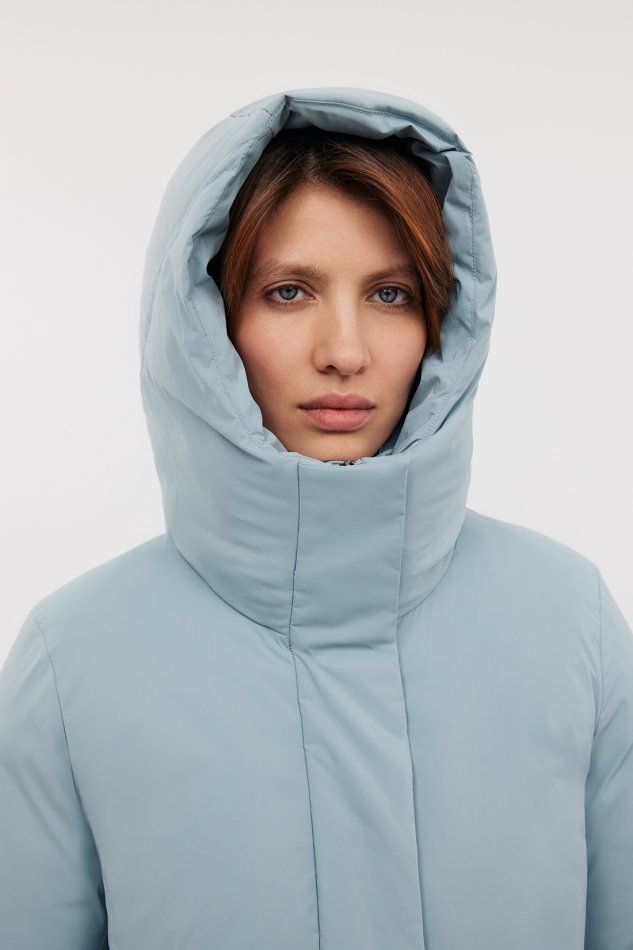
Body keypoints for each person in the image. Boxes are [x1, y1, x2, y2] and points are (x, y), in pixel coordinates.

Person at [0, 86, 631, 950]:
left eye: (391, 294)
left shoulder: (567, 621)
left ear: (443, 322)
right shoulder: (75, 659)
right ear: (206, 318)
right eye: (289, 291)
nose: (344, 350)